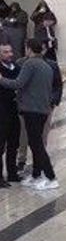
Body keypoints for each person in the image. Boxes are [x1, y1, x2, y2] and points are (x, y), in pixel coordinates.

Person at [0, 39, 57, 190]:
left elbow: (18, 83)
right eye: (5, 52)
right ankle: (35, 175)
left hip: (32, 110)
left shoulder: (29, 64)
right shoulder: (47, 65)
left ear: (29, 49)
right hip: (38, 109)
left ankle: (50, 176)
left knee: (35, 144)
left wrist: (1, 79)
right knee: (33, 143)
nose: (10, 54)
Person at [0, 43, 20, 186]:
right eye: (5, 52)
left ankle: (12, 173)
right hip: (2, 111)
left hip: (14, 110)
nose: (9, 54)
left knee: (14, 142)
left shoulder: (17, 68)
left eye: (10, 51)